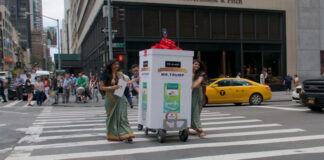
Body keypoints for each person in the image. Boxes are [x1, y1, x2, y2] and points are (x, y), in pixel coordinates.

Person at [100, 59, 134, 143]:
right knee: (111, 117)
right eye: (115, 64)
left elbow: (125, 84)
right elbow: (101, 87)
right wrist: (112, 87)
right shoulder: (105, 75)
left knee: (123, 116)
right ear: (111, 65)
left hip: (120, 96)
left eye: (117, 64)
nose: (117, 66)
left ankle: (127, 134)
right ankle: (113, 134)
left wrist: (135, 80)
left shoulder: (120, 75)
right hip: (110, 98)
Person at [190, 59, 206, 137]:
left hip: (196, 94)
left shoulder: (201, 73)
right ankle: (187, 127)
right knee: (188, 110)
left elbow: (198, 82)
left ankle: (199, 129)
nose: (197, 66)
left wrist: (193, 86)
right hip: (188, 94)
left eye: (198, 65)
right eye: (195, 64)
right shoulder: (187, 72)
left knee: (196, 109)